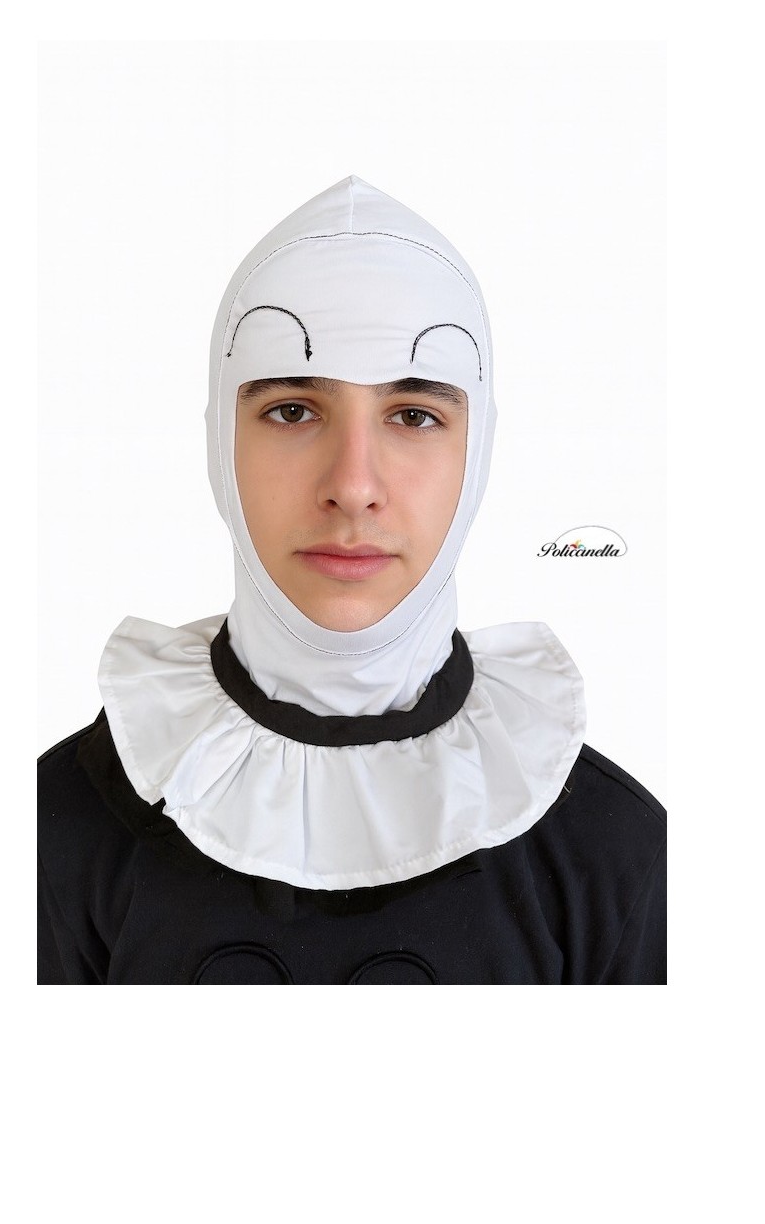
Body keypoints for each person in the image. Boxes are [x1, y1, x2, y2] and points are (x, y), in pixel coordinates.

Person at [38, 175, 666, 984]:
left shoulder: (614, 857)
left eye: (414, 415)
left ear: (478, 452)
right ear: (219, 441)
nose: (354, 485)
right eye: (293, 410)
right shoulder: (55, 834)